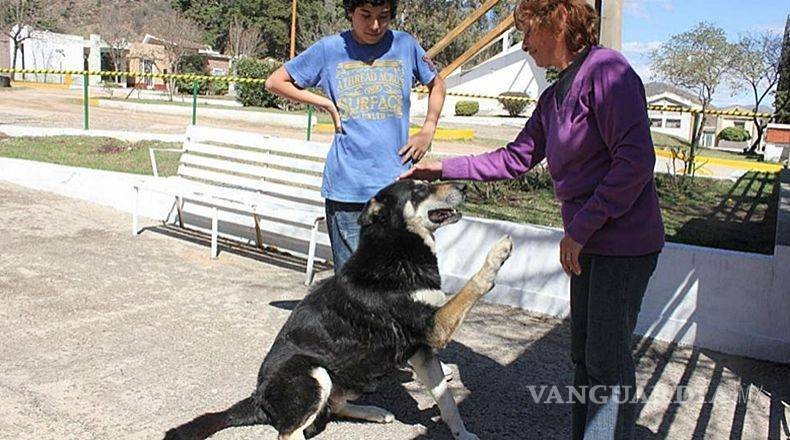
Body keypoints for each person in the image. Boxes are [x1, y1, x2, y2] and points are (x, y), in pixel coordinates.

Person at [400, 0, 665, 438]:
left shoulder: (607, 72)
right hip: (589, 242)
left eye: (527, 30)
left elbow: (635, 163)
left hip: (624, 243)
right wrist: (442, 168)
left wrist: (578, 230)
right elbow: (514, 158)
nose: (523, 43)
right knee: (584, 357)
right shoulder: (555, 96)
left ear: (558, 19)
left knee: (607, 362)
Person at [265, 0, 446, 274]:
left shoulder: (405, 45)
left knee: (401, 276)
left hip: (396, 187)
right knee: (352, 281)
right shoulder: (329, 49)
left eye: (383, 16)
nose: (375, 25)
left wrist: (428, 128)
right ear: (350, 12)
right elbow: (275, 81)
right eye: (366, 15)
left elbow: (437, 83)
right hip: (347, 187)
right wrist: (324, 103)